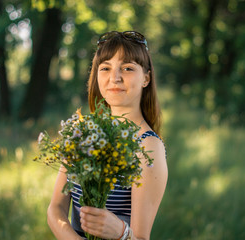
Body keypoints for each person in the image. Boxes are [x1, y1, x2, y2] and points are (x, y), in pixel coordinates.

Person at [47, 31, 168, 240]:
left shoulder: (148, 146)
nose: (115, 77)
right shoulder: (83, 132)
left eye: (127, 68)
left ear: (146, 78)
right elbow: (55, 210)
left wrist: (121, 232)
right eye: (105, 68)